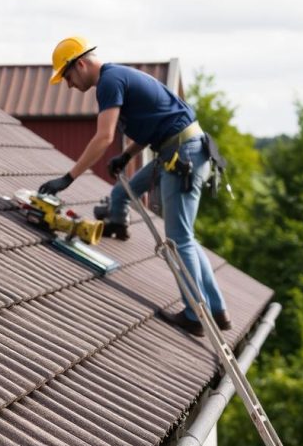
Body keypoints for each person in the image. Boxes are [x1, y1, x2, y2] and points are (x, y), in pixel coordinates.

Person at [37, 36, 230, 337]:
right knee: (177, 230)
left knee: (179, 239)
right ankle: (217, 310)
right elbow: (155, 126)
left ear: (81, 64)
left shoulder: (108, 82)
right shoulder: (119, 77)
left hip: (182, 154)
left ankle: (196, 314)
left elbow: (103, 136)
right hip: (180, 148)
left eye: (68, 76)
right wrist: (126, 155)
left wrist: (68, 177)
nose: (69, 85)